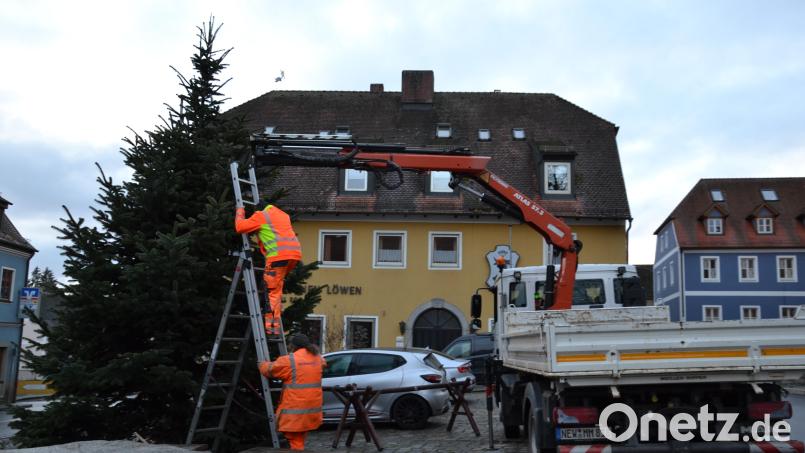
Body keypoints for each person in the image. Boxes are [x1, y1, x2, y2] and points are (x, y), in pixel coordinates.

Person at [235, 204, 302, 335]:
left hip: (278, 257)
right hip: (294, 255)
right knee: (276, 289)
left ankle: (272, 328)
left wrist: (240, 210)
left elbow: (240, 227)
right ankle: (274, 324)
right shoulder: (283, 215)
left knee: (271, 292)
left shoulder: (261, 216)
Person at [259, 334, 327, 451]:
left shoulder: (289, 360)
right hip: (312, 408)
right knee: (300, 437)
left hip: (295, 409)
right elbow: (322, 364)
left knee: (295, 441)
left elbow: (270, 370)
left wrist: (261, 364)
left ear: (293, 346)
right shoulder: (318, 358)